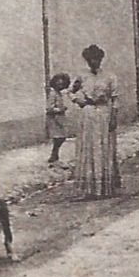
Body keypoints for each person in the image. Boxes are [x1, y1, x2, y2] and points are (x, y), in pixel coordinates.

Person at [71, 43, 121, 198]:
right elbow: (70, 91)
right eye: (90, 59)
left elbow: (115, 99)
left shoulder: (110, 76)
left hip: (104, 113)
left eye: (97, 59)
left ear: (101, 59)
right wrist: (78, 100)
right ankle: (89, 189)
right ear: (87, 60)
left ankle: (105, 187)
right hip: (88, 114)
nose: (94, 62)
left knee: (104, 147)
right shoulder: (82, 76)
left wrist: (113, 117)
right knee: (88, 148)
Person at [45, 73, 72, 165]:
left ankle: (55, 154)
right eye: (58, 84)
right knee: (58, 137)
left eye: (62, 84)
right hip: (54, 118)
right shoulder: (53, 94)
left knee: (62, 137)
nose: (60, 86)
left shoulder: (59, 94)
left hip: (60, 118)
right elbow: (49, 108)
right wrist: (60, 109)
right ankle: (54, 155)